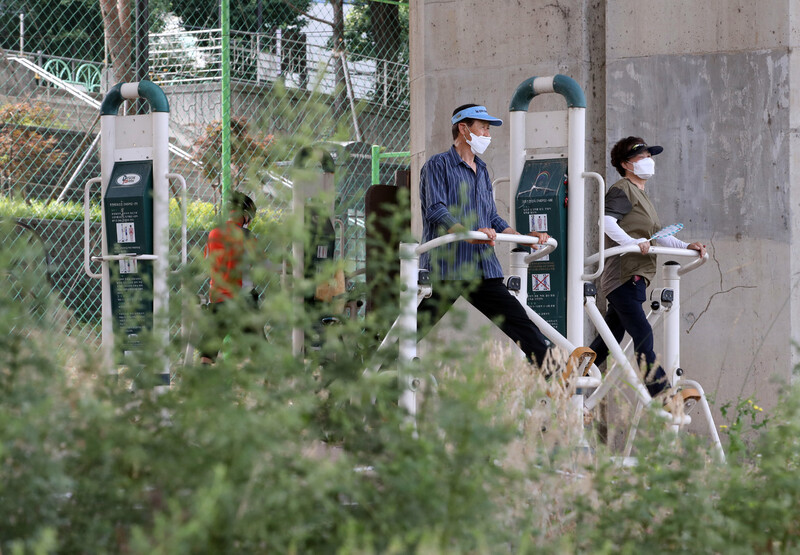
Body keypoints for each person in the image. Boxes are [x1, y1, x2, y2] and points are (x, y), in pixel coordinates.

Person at [418, 103, 554, 368]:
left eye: (489, 129)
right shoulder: (438, 165)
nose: (488, 135)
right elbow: (436, 209)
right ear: (463, 128)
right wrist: (466, 234)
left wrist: (524, 237)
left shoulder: (482, 170)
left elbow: (491, 217)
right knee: (415, 329)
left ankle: (553, 369)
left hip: (482, 268)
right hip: (448, 267)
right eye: (483, 127)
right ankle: (378, 374)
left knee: (518, 319)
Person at [588, 137, 706, 398]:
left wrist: (687, 246)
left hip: (637, 276)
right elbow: (606, 223)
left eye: (649, 156)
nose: (648, 161)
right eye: (641, 157)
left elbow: (657, 236)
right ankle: (662, 393)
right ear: (625, 164)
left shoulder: (642, 196)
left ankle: (575, 373)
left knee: (609, 339)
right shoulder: (622, 189)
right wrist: (632, 242)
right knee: (642, 333)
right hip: (623, 275)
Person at [199, 191, 259, 364]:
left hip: (218, 298)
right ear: (245, 215)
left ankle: (204, 381)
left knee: (209, 349)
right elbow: (264, 264)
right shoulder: (247, 236)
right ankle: (270, 383)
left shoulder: (213, 234)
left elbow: (206, 264)